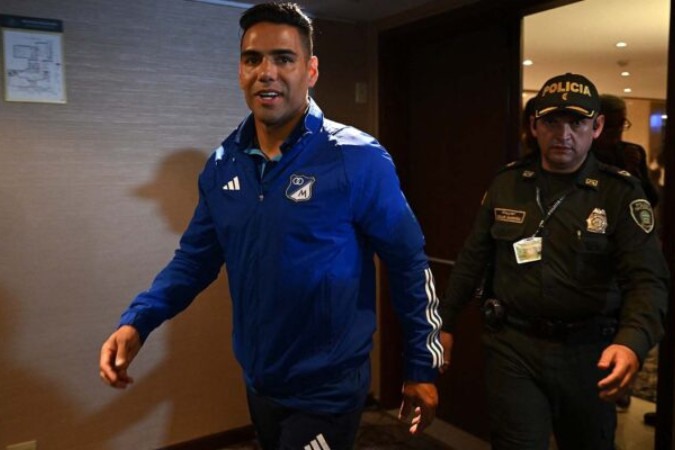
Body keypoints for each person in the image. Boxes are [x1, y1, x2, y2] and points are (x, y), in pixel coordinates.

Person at [99, 3, 443, 449]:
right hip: (261, 382)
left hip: (328, 389)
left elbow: (408, 262)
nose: (267, 72)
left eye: (283, 58)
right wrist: (138, 322)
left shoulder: (357, 158)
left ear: (311, 70)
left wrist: (421, 365)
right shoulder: (223, 165)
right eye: (253, 59)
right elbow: (194, 261)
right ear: (240, 71)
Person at [439, 73, 669, 450]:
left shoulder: (620, 193)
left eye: (576, 122)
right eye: (552, 121)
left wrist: (632, 341)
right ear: (535, 126)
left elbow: (647, 280)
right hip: (514, 346)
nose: (564, 133)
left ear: (596, 128)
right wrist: (445, 322)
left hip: (588, 353)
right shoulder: (507, 183)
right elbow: (472, 259)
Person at [593, 94, 659, 206]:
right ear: (597, 124)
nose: (618, 131)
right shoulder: (583, 153)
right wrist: (626, 172)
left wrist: (634, 171)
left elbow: (651, 199)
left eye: (621, 124)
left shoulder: (634, 151)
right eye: (611, 126)